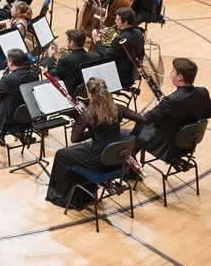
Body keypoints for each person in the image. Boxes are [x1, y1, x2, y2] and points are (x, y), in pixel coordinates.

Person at [44, 77, 145, 210]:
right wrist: (131, 138)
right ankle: (82, 194)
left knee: (62, 154)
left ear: (89, 94)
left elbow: (74, 139)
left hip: (98, 160)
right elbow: (142, 120)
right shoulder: (118, 109)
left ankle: (63, 196)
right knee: (76, 151)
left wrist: (90, 131)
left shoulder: (88, 115)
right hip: (117, 159)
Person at [132, 57, 211, 159]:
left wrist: (158, 107)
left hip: (167, 147)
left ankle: (130, 169)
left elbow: (146, 119)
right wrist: (190, 117)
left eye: (173, 71)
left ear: (179, 77)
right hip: (188, 143)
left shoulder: (170, 101)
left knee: (135, 133)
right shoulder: (203, 92)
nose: (170, 73)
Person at [0, 48, 38, 142]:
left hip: (8, 121)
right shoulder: (34, 75)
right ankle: (1, 137)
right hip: (27, 118)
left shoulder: (9, 79)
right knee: (9, 101)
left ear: (10, 63)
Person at [93, 7, 144, 90]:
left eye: (118, 20)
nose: (115, 21)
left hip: (120, 78)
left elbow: (105, 56)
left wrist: (97, 40)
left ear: (125, 22)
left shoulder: (121, 38)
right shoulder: (138, 33)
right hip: (131, 74)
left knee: (91, 61)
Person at [42, 29, 99, 96]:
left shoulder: (65, 60)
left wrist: (50, 57)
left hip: (72, 95)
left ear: (71, 43)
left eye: (66, 40)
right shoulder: (96, 57)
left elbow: (54, 74)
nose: (66, 42)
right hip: (90, 93)